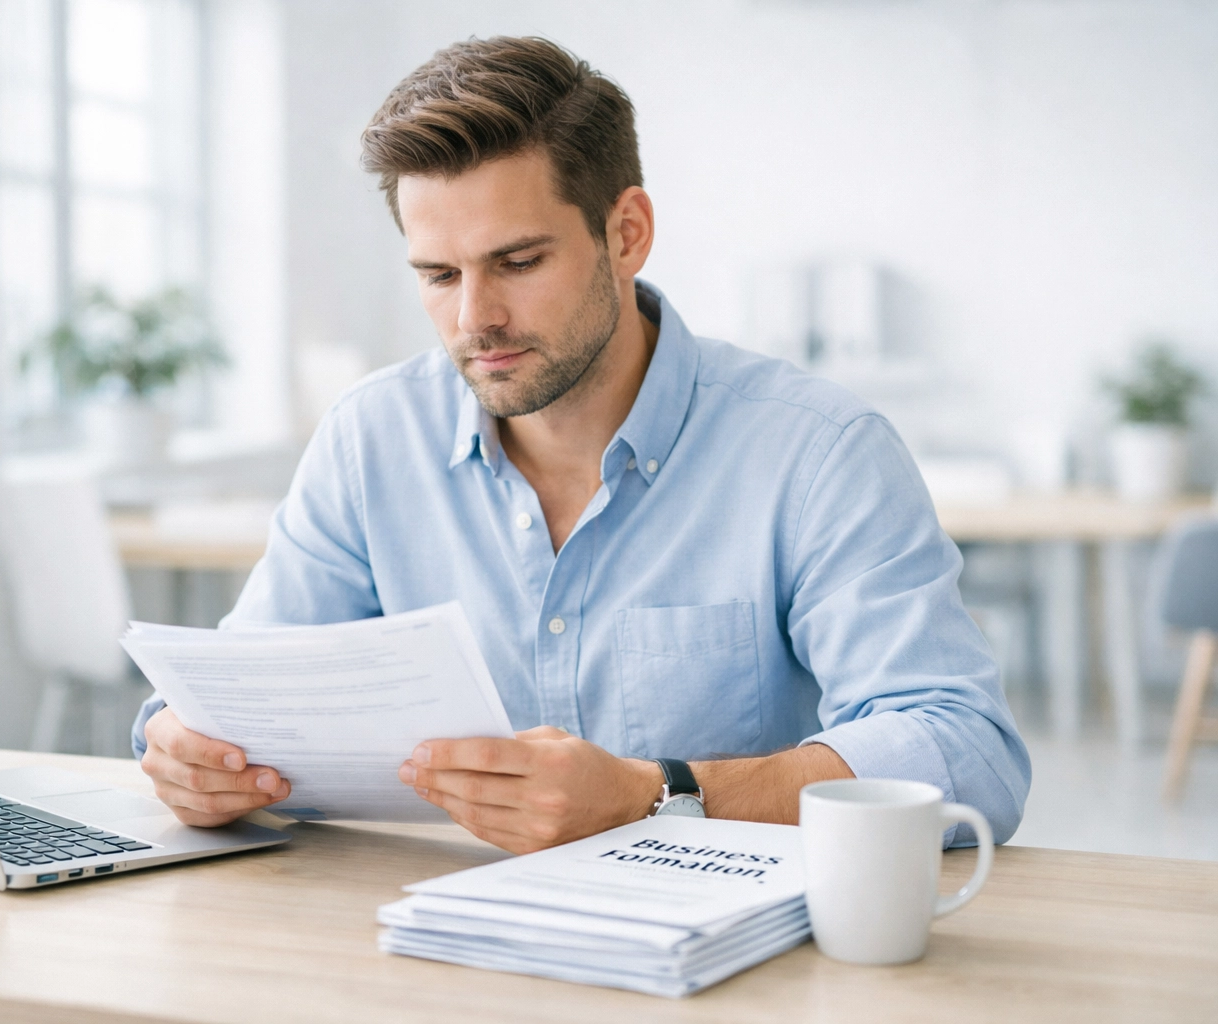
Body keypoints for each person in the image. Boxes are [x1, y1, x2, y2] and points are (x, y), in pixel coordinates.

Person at [132, 36, 1029, 855]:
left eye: (518, 263)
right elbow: (237, 696)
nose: (474, 318)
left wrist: (658, 794)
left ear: (626, 232)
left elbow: (967, 753)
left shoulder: (817, 452)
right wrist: (188, 752)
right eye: (439, 275)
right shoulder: (372, 438)